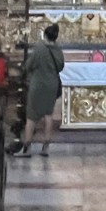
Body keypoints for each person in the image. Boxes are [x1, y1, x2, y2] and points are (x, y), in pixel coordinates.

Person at [13, 23, 65, 158]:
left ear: (45, 35)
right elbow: (61, 66)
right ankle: (46, 147)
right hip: (52, 85)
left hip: (38, 85)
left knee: (31, 116)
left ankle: (27, 148)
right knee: (48, 115)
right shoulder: (58, 50)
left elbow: (28, 66)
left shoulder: (39, 48)